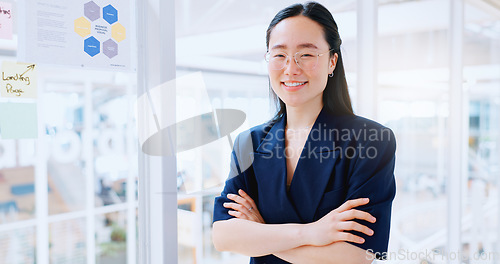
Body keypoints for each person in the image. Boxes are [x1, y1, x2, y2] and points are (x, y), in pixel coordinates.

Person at [212, 2, 396, 264]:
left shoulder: (372, 141)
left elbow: (357, 255)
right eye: (279, 55)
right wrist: (312, 232)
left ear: (332, 61)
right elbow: (223, 236)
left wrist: (261, 233)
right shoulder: (249, 143)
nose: (291, 68)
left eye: (306, 55)